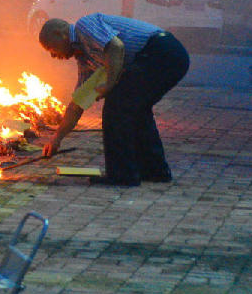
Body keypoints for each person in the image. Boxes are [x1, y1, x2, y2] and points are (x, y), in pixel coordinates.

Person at [38, 14, 189, 186]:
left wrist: (110, 83)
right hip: (165, 57)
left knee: (116, 108)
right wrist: (57, 138)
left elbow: (116, 46)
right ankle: (155, 171)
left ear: (60, 34)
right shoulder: (86, 60)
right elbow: (77, 104)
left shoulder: (84, 26)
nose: (53, 55)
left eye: (51, 48)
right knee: (137, 111)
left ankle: (122, 175)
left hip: (162, 52)